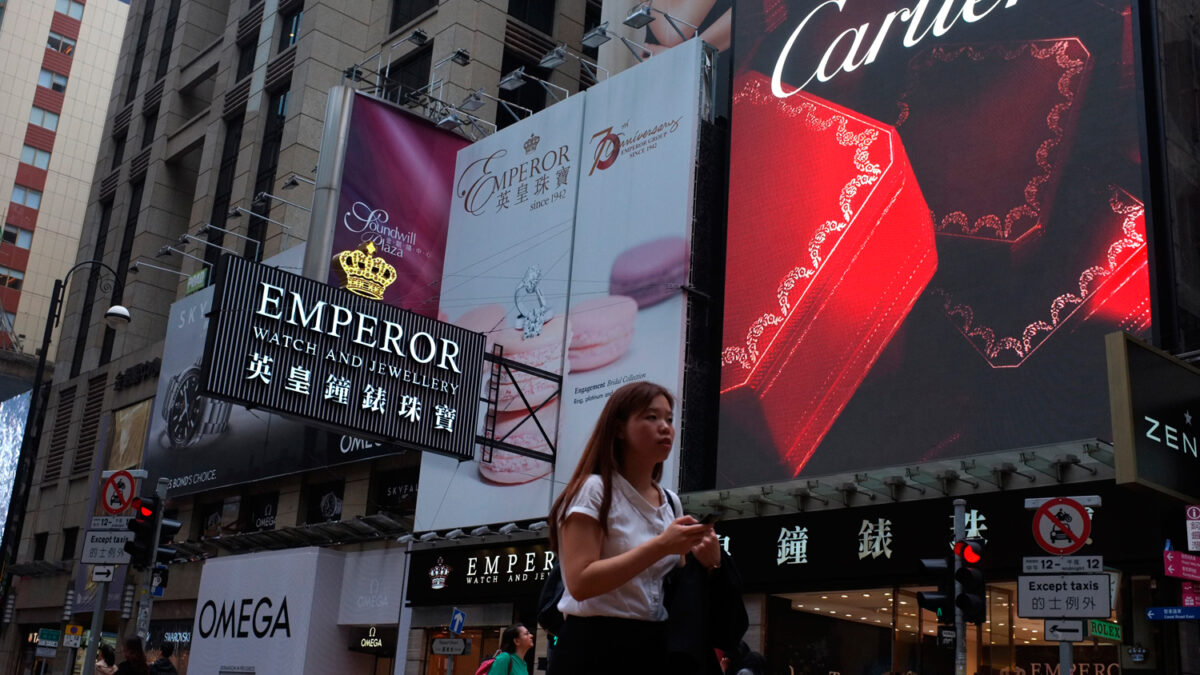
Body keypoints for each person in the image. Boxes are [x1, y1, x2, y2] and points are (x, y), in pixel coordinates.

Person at [546, 381, 720, 675]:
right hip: (593, 646)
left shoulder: (671, 502)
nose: (665, 427)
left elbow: (673, 581)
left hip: (652, 643)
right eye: (651, 417)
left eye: (668, 419)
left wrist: (709, 562)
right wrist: (662, 546)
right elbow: (579, 582)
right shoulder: (594, 490)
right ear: (618, 429)